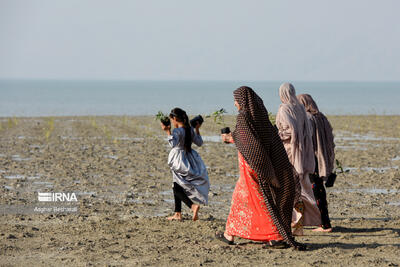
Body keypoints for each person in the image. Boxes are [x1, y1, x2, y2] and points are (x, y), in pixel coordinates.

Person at [216, 86, 305, 250]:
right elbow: (264, 140)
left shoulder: (243, 117)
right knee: (256, 199)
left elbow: (249, 144)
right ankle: (234, 233)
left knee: (248, 199)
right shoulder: (261, 116)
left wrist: (230, 137)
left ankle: (271, 236)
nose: (235, 103)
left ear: (242, 101)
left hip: (251, 166)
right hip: (264, 166)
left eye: (236, 100)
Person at [276, 83, 321, 236]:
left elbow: (290, 130)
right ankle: (306, 221)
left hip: (290, 151)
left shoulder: (284, 109)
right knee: (303, 187)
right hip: (303, 153)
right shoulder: (301, 108)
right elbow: (305, 129)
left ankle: (295, 222)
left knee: (290, 187)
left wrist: (278, 135)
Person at [161, 107, 210, 221]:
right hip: (189, 158)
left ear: (175, 119)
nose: (172, 123)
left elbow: (173, 143)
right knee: (177, 184)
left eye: (172, 120)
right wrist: (197, 129)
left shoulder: (178, 131)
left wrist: (167, 131)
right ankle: (178, 213)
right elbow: (199, 143)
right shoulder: (189, 129)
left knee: (176, 186)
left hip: (178, 159)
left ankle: (192, 206)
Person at [297, 94, 335, 232]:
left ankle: (324, 225)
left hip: (312, 159)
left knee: (314, 191)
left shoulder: (307, 118)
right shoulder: (322, 117)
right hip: (322, 158)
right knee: (319, 190)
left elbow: (306, 140)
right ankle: (324, 222)